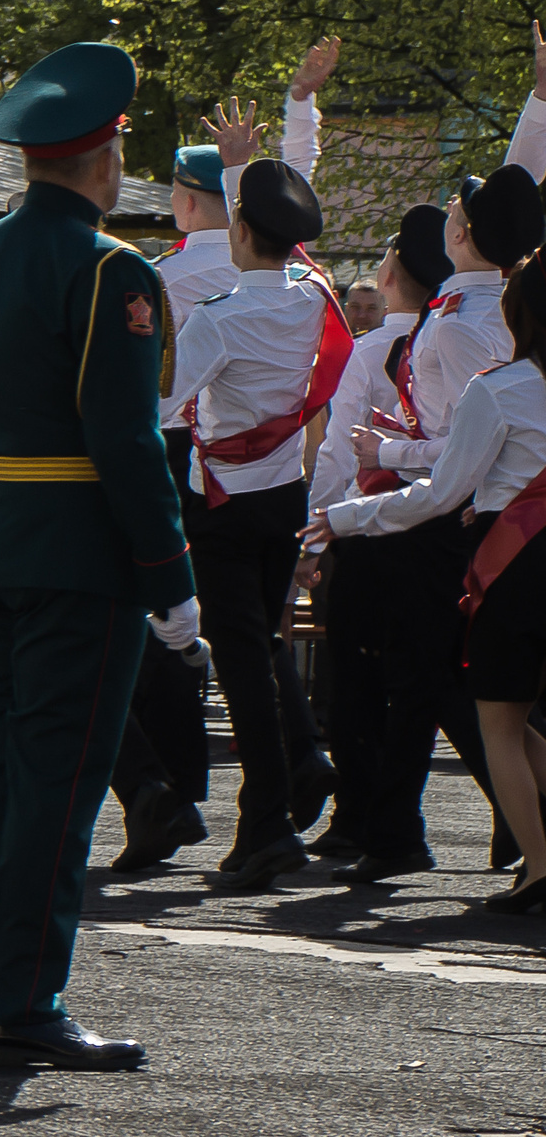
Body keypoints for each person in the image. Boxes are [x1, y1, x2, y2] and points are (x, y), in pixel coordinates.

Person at [0, 38, 195, 1071]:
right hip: (77, 561)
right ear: (103, 155)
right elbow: (124, 440)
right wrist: (168, 579)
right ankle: (20, 996)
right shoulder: (108, 269)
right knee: (57, 780)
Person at [326, 135, 546, 883]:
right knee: (460, 688)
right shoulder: (472, 307)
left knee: (440, 685)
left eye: (456, 212)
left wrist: (386, 456)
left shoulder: (455, 325)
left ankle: (404, 833)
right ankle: (490, 834)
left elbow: (461, 450)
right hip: (488, 521)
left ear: (460, 236)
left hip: (477, 529)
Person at [157, 152, 350, 891]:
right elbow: (279, 248)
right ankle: (283, 794)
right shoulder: (311, 298)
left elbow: (164, 410)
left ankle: (266, 820)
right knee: (262, 650)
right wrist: (244, 171)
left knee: (242, 668)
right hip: (281, 496)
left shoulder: (218, 318)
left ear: (237, 228)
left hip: (226, 504)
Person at [297, 205, 448, 860]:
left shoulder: (371, 348)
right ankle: (401, 820)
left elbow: (335, 449)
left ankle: (359, 815)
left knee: (355, 682)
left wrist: (316, 529)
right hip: (437, 524)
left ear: (389, 272)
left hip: (367, 526)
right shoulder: (463, 331)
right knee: (423, 680)